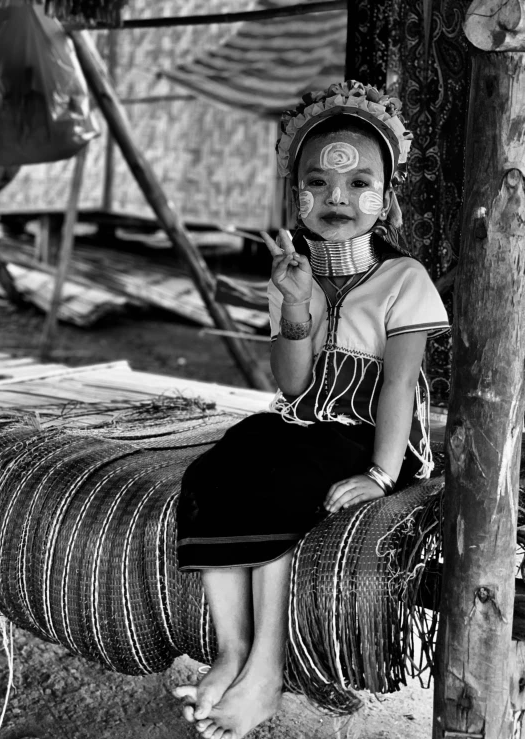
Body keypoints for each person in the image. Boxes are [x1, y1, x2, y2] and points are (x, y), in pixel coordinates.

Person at [173, 80, 450, 739]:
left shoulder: (402, 278)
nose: (337, 199)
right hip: (303, 422)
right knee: (212, 474)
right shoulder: (291, 271)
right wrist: (296, 304)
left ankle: (266, 670)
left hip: (368, 437)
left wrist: (381, 476)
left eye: (359, 185)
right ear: (295, 194)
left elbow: (397, 388)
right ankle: (232, 651)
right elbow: (293, 388)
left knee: (281, 485)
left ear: (385, 199)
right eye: (318, 183)